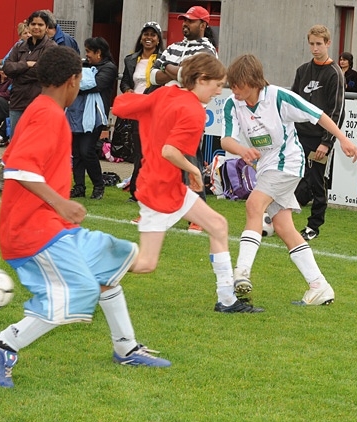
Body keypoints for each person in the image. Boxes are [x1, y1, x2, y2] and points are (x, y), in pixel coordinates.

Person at [0, 46, 170, 389]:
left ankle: (126, 347)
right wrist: (61, 203)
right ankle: (4, 344)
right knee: (77, 290)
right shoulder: (47, 115)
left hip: (55, 227)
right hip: (33, 231)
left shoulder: (44, 110)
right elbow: (18, 168)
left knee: (108, 265)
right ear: (73, 80)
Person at [112, 53, 263, 314]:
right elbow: (169, 151)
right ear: (201, 79)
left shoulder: (165, 94)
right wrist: (194, 170)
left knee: (218, 225)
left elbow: (120, 107)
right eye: (217, 84)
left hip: (165, 185)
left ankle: (227, 300)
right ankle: (92, 267)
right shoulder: (193, 111)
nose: (219, 91)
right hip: (159, 191)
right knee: (146, 263)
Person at [221, 54, 357, 306]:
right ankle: (319, 286)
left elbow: (318, 114)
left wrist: (342, 139)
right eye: (232, 85)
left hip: (288, 163)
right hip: (266, 168)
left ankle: (241, 272)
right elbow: (226, 139)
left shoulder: (278, 96)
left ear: (252, 81)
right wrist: (242, 150)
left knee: (254, 205)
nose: (234, 90)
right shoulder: (233, 104)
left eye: (238, 85)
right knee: (284, 227)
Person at [149, 5, 217, 234]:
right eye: (184, 20)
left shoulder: (207, 50)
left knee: (189, 162)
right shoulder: (173, 46)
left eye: (190, 21)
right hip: (168, 110)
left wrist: (169, 68)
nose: (185, 24)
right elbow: (153, 76)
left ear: (203, 24)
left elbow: (191, 79)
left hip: (190, 112)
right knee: (164, 163)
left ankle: (199, 216)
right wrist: (177, 72)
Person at [290, 25, 346, 241]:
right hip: (298, 136)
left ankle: (313, 226)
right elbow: (292, 103)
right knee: (291, 177)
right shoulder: (302, 70)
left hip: (319, 139)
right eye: (312, 44)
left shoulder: (335, 74)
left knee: (316, 181)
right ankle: (279, 219)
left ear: (328, 43)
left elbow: (337, 111)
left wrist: (327, 142)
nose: (315, 48)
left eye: (319, 44)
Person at [66, 37, 117, 200]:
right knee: (76, 152)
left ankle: (98, 186)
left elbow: (95, 85)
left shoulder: (109, 68)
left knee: (86, 151)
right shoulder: (85, 65)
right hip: (76, 114)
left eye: (88, 51)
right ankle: (79, 187)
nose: (86, 54)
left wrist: (75, 84)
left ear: (98, 52)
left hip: (94, 116)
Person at [119, 21, 165, 203]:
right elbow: (125, 82)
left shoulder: (163, 60)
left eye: (153, 35)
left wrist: (148, 97)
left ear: (158, 40)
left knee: (153, 152)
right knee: (139, 151)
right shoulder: (130, 59)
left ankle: (152, 189)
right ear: (141, 37)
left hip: (155, 111)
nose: (149, 38)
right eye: (146, 34)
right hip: (136, 111)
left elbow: (163, 84)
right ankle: (137, 190)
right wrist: (127, 90)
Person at [3, 10, 56, 135]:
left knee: (37, 141)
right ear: (28, 26)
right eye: (33, 24)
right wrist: (26, 64)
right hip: (18, 101)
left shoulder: (51, 47)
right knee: (16, 141)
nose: (36, 27)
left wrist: (18, 74)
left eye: (40, 24)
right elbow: (7, 68)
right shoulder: (19, 47)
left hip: (39, 102)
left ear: (46, 27)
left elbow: (42, 71)